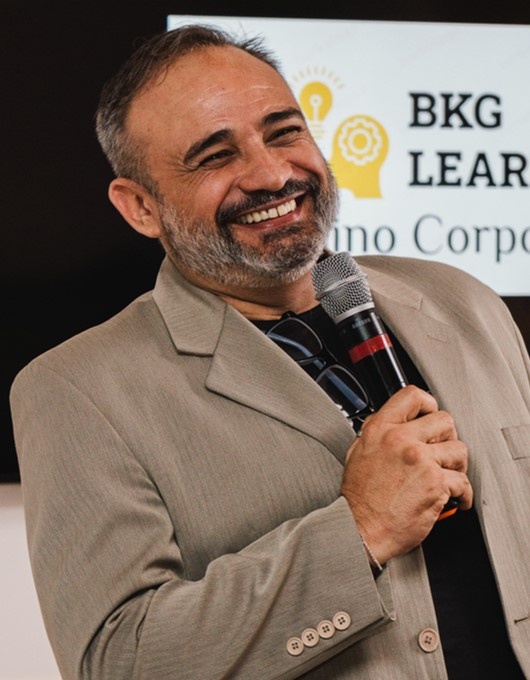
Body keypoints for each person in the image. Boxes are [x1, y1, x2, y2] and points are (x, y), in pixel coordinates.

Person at [10, 23, 530, 680]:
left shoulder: (465, 301)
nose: (273, 173)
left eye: (284, 132)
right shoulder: (76, 389)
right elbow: (119, 661)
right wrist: (361, 529)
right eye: (214, 156)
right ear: (140, 207)